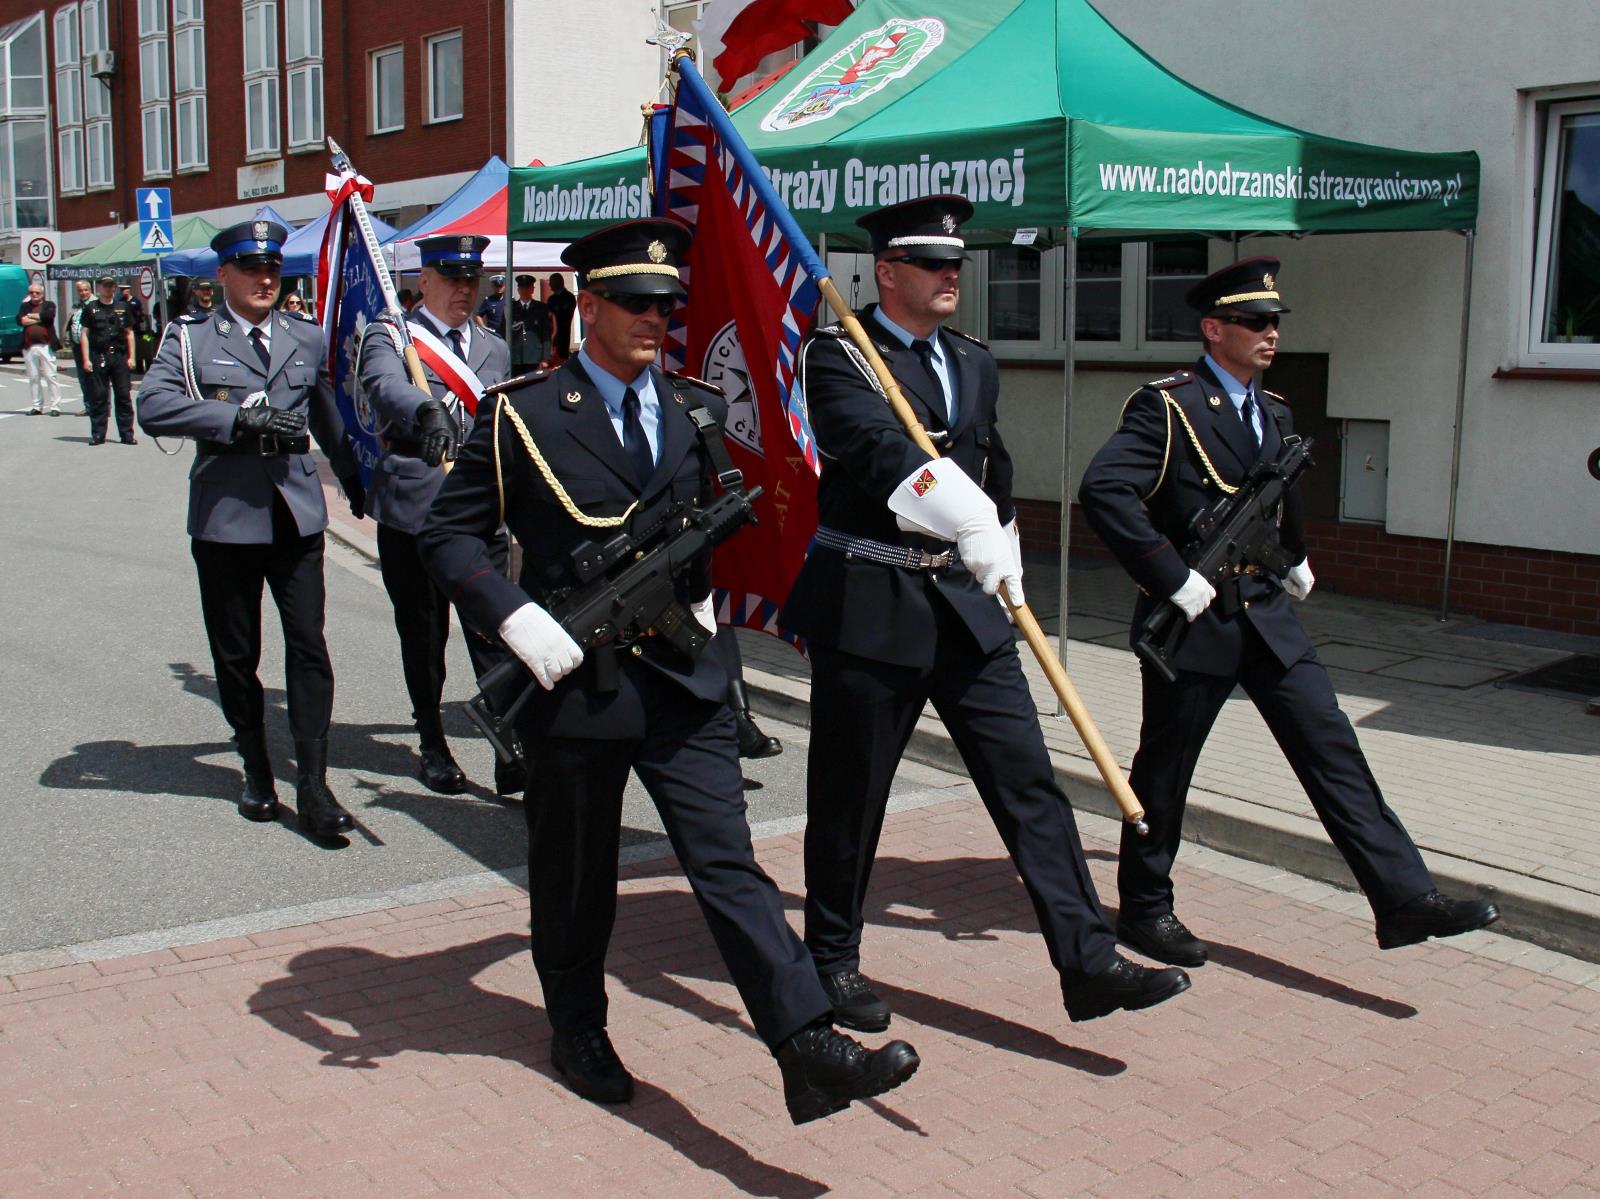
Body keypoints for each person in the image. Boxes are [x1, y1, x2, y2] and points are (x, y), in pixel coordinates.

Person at [418, 218, 920, 1123]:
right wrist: (514, 615)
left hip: (685, 679)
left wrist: (703, 597)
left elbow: (719, 515)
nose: (659, 318)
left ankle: (808, 1044)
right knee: (576, 876)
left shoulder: (691, 406)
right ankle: (579, 1028)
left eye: (670, 304)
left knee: (730, 864)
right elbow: (446, 533)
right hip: (575, 683)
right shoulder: (520, 413)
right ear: (591, 303)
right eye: (640, 303)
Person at [779, 196, 1190, 1029]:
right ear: (886, 271)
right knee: (852, 798)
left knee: (1029, 782)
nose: (950, 277)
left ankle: (1089, 959)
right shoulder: (839, 356)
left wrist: (1006, 540)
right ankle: (831, 960)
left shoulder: (971, 359)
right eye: (932, 265)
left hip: (970, 606)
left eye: (956, 265)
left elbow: (991, 460)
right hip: (873, 600)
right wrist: (966, 518)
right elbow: (877, 449)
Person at [1077, 257, 1500, 967]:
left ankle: (1402, 895)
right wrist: (1168, 574)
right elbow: (1104, 490)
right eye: (1254, 322)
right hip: (1195, 617)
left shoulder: (1273, 410)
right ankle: (1147, 908)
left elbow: (1279, 489)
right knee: (1165, 769)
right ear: (1215, 330)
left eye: (1275, 321)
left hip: (1265, 613)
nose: (1270, 332)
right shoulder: (1168, 406)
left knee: (1331, 745)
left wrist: (1294, 555)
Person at [136, 220, 367, 840]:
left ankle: (314, 785)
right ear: (223, 276)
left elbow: (328, 416)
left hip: (295, 516)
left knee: (309, 646)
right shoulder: (189, 339)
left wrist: (357, 478)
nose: (264, 279)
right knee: (237, 657)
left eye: (272, 269)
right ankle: (257, 767)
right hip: (226, 519)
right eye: (249, 268)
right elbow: (152, 406)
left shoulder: (305, 336)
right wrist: (237, 416)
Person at [358, 234, 524, 797]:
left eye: (471, 280)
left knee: (496, 631)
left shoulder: (493, 347)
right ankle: (432, 741)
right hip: (416, 514)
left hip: (481, 514)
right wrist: (425, 408)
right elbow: (382, 386)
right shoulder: (392, 336)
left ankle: (509, 745)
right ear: (424, 281)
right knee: (424, 636)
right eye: (452, 280)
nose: (464, 290)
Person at [78, 276, 136, 446]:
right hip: (99, 355)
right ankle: (98, 434)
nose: (109, 289)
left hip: (119, 356)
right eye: (106, 286)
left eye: (112, 286)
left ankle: (127, 435)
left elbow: (129, 332)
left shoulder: (122, 307)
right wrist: (86, 359)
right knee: (98, 396)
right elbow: (85, 334)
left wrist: (132, 357)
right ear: (99, 288)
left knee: (123, 396)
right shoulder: (91, 308)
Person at [18, 280, 61, 416]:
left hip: (46, 345)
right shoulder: (25, 306)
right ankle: (37, 406)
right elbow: (20, 320)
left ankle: (55, 407)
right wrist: (39, 318)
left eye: (37, 292)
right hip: (29, 346)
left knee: (51, 376)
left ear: (42, 294)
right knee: (33, 377)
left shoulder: (49, 304)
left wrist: (31, 316)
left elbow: (49, 317)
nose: (34, 294)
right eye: (32, 292)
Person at [507, 273, 552, 374]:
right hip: (515, 356)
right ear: (518, 290)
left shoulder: (541, 308)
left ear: (532, 289)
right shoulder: (511, 308)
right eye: (522, 288)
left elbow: (546, 334)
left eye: (527, 288)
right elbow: (503, 331)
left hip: (534, 356)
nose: (525, 290)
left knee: (533, 386)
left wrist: (545, 357)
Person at [64, 279, 95, 414]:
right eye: (80, 290)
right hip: (77, 345)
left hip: (92, 345)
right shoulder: (77, 305)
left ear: (90, 290)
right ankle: (88, 406)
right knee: (83, 378)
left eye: (85, 290)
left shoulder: (95, 304)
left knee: (96, 378)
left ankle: (102, 407)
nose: (83, 293)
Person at [119, 284, 155, 373]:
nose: (123, 291)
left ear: (129, 290)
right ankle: (137, 369)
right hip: (126, 329)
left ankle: (148, 368)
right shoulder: (120, 302)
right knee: (133, 350)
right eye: (122, 290)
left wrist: (145, 327)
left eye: (125, 289)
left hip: (138, 329)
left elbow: (142, 314)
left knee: (145, 350)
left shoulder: (135, 301)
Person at [546, 272, 576, 360]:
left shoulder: (569, 297)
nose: (549, 285)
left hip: (563, 332)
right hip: (551, 334)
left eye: (551, 282)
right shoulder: (551, 299)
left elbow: (565, 315)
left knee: (562, 357)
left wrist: (555, 314)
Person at [474, 273, 507, 337]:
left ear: (504, 286)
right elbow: (478, 316)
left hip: (507, 335)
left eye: (500, 286)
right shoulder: (488, 301)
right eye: (497, 286)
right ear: (493, 287)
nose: (499, 288)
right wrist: (484, 327)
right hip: (493, 334)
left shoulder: (509, 300)